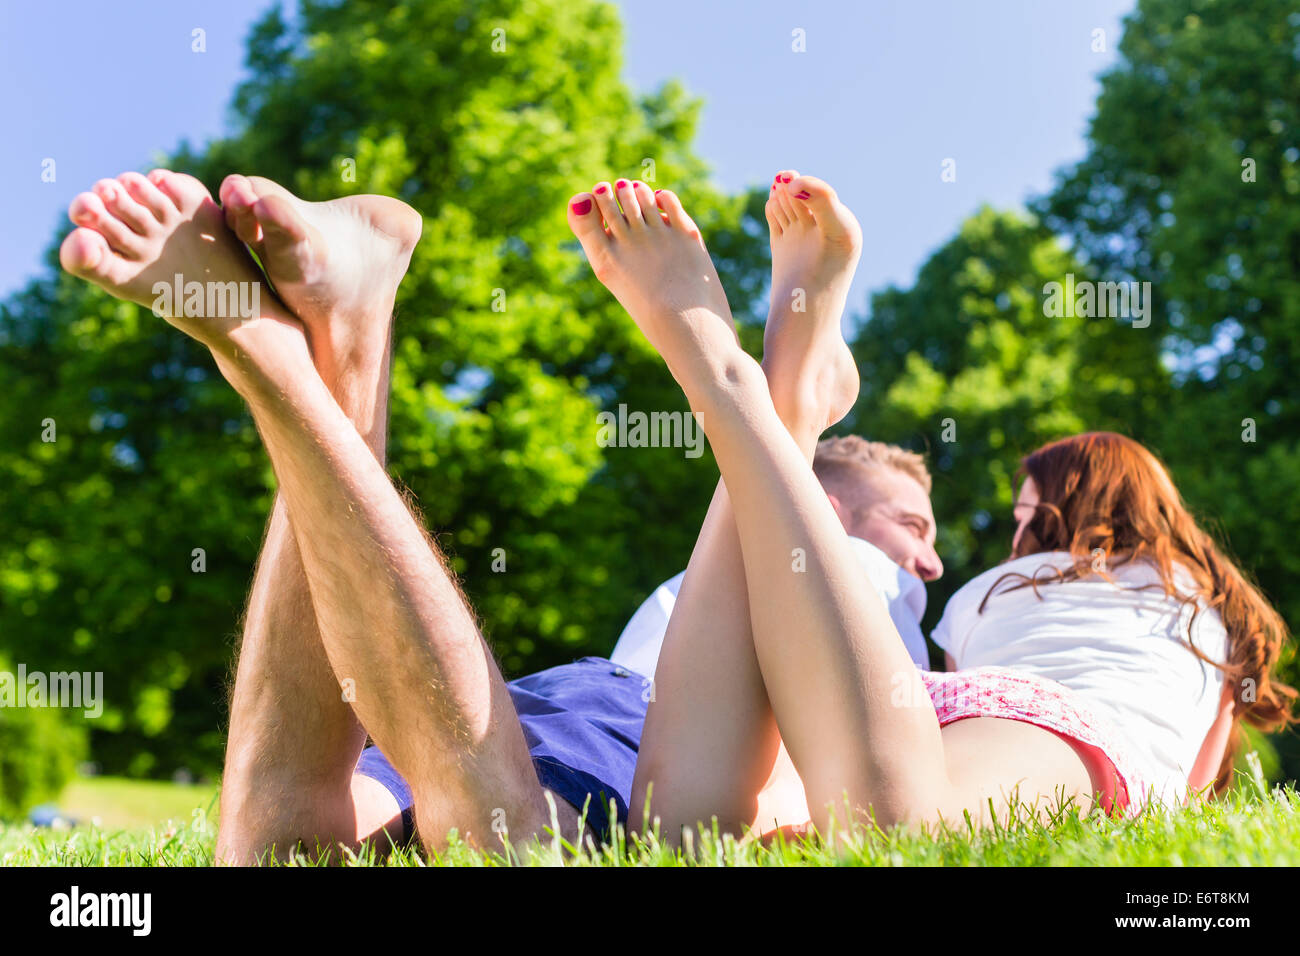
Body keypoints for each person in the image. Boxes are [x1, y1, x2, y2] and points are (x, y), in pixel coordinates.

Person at [55, 165, 876, 859]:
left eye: (920, 537)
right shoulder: (845, 591)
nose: (930, 560)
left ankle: (344, 329)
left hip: (504, 711)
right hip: (613, 709)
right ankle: (785, 404)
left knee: (276, 848)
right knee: (508, 848)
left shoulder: (937, 637)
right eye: (904, 525)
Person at [557, 171, 1298, 838]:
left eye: (1024, 516)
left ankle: (784, 404)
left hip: (944, 709)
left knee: (686, 827)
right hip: (1052, 734)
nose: (1018, 537)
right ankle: (747, 391)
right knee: (891, 824)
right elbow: (1196, 770)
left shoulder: (991, 593)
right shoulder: (1209, 602)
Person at [611, 435, 941, 681]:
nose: (934, 566)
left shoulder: (684, 591)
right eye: (912, 527)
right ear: (824, 513)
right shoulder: (859, 564)